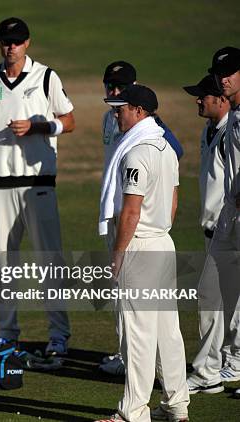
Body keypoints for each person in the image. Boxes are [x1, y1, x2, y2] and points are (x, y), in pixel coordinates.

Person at [0, 16, 75, 356]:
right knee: (3, 262)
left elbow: (70, 121)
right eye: (5, 40)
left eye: (16, 40)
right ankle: (6, 332)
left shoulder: (46, 76)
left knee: (49, 260)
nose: (10, 46)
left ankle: (59, 335)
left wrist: (38, 127)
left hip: (39, 183)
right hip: (0, 185)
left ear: (27, 42)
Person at [96, 85, 189, 422]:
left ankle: (132, 413)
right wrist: (158, 230)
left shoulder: (136, 153)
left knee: (137, 335)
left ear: (137, 110)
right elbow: (174, 201)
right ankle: (177, 406)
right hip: (162, 243)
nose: (115, 113)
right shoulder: (165, 147)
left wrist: (119, 254)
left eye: (120, 108)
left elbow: (131, 212)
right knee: (167, 331)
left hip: (140, 247)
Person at [183, 73, 233, 394]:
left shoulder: (232, 132)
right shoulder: (210, 129)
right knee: (226, 301)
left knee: (210, 297)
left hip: (228, 231)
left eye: (203, 96)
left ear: (222, 99)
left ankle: (207, 371)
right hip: (212, 229)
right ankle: (228, 362)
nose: (198, 100)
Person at [206, 46, 240, 398]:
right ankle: (210, 369)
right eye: (220, 73)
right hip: (230, 217)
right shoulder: (235, 116)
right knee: (213, 290)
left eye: (230, 71)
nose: (223, 78)